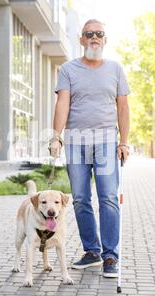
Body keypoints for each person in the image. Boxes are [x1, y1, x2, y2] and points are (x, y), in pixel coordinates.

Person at [50, 19, 131, 278]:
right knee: (81, 198)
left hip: (107, 142)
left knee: (108, 198)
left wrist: (124, 142)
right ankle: (92, 251)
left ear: (105, 40)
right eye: (89, 34)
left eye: (99, 34)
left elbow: (123, 108)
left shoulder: (116, 70)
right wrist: (56, 136)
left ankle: (110, 257)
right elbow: (63, 103)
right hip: (75, 141)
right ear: (81, 40)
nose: (94, 37)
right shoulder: (68, 69)